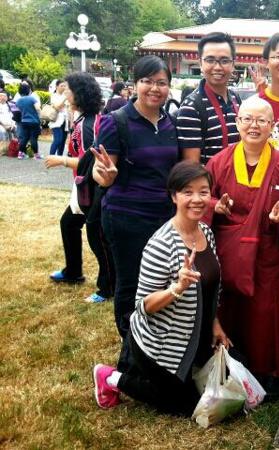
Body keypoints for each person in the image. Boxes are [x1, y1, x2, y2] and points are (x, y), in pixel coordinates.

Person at [92, 162, 231, 415]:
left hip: (192, 336)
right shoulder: (162, 244)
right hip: (160, 345)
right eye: (187, 192)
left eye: (203, 191)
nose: (197, 199)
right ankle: (110, 377)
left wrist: (215, 323)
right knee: (190, 407)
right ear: (174, 196)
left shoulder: (206, 233)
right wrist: (177, 287)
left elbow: (212, 289)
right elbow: (143, 306)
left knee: (221, 387)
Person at [206, 97, 279, 393]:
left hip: (267, 254)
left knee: (265, 314)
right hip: (229, 253)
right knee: (228, 309)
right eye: (247, 119)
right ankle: (227, 366)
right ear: (237, 123)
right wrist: (215, 206)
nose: (254, 126)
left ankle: (263, 372)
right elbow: (202, 198)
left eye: (262, 120)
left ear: (272, 126)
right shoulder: (220, 162)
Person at [93, 56, 189, 359]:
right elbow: (102, 170)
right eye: (147, 81)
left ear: (169, 87)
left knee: (159, 282)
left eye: (161, 82)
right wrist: (106, 176)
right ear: (135, 84)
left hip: (164, 219)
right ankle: (131, 348)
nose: (154, 88)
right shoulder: (117, 121)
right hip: (127, 218)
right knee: (131, 282)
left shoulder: (170, 123)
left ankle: (153, 343)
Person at [45, 73, 114, 302]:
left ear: (79, 94)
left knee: (98, 237)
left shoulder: (88, 124)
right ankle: (73, 272)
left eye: (68, 90)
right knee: (69, 224)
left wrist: (61, 160)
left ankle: (107, 287)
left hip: (93, 188)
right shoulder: (83, 119)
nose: (65, 94)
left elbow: (90, 161)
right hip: (84, 186)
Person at [177, 32, 241, 165]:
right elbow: (192, 166)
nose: (217, 67)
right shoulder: (191, 107)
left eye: (224, 61)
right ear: (200, 63)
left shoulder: (236, 99)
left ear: (233, 64)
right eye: (210, 60)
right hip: (209, 178)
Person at [15, 82, 42, 160]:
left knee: (24, 138)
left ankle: (20, 154)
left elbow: (19, 110)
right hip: (34, 121)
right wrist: (40, 116)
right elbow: (38, 108)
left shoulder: (18, 101)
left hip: (24, 121)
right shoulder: (32, 98)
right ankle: (36, 155)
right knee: (33, 138)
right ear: (29, 90)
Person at [48, 80, 69, 156]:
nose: (63, 87)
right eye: (61, 86)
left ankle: (59, 157)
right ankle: (51, 156)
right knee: (58, 140)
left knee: (62, 141)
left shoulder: (65, 96)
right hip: (56, 121)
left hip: (65, 121)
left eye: (64, 86)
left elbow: (67, 108)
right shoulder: (53, 96)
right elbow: (57, 107)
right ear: (57, 86)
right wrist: (64, 99)